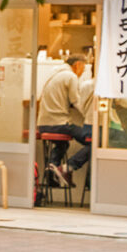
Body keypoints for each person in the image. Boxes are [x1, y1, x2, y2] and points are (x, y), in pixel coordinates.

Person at [37, 54, 86, 186]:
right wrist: (89, 115)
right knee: (92, 140)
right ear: (77, 65)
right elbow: (76, 101)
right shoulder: (71, 76)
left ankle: (52, 171)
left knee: (62, 144)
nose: (83, 72)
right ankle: (67, 168)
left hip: (43, 124)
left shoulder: (54, 74)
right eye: (84, 68)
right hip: (58, 123)